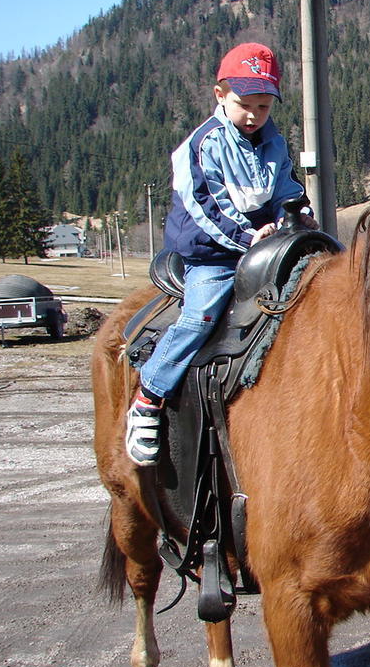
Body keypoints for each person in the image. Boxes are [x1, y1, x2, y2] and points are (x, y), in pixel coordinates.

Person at [125, 42, 315, 466]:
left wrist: (300, 212)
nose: (253, 115)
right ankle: (149, 398)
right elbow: (206, 206)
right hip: (213, 252)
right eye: (244, 104)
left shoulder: (274, 143)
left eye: (263, 107)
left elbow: (285, 187)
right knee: (202, 317)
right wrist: (247, 236)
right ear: (220, 95)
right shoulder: (201, 145)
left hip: (261, 246)